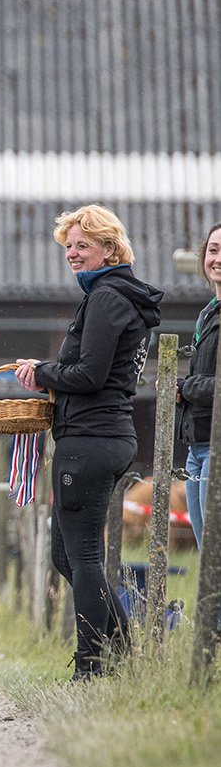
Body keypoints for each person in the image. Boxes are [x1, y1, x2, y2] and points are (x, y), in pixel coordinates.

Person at [14, 204, 163, 679]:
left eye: (83, 245)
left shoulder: (106, 298)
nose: (73, 254)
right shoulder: (115, 296)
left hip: (90, 439)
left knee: (82, 557)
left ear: (109, 248)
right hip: (103, 436)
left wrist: (41, 372)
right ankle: (121, 649)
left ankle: (92, 667)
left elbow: (90, 374)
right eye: (69, 246)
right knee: (67, 555)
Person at [178, 221, 220, 550]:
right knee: (207, 550)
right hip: (197, 445)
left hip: (217, 446)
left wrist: (185, 388)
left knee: (215, 553)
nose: (217, 258)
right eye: (213, 250)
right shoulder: (207, 314)